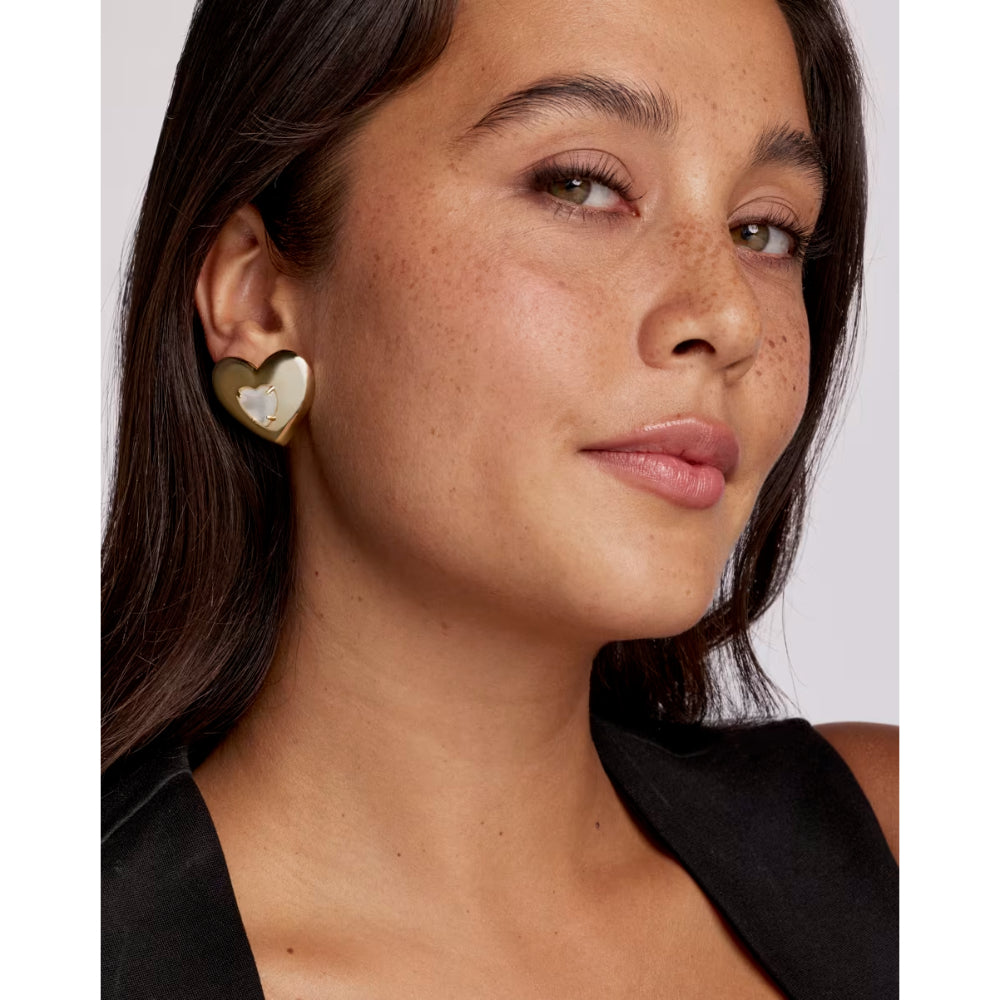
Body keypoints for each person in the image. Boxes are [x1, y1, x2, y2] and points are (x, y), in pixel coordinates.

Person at [101, 0, 898, 997]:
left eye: (764, 230)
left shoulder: (907, 850)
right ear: (257, 300)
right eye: (580, 184)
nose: (731, 316)